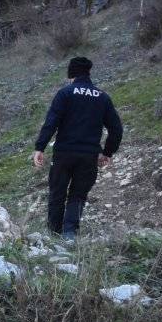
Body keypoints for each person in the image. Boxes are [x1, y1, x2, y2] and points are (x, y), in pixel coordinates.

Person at [32, 57, 123, 242]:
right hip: (88, 156)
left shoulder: (65, 93)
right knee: (78, 194)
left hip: (64, 153)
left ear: (71, 75)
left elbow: (51, 122)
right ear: (88, 74)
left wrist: (39, 147)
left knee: (57, 192)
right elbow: (116, 128)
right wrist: (107, 152)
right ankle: (70, 235)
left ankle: (54, 235)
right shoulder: (102, 97)